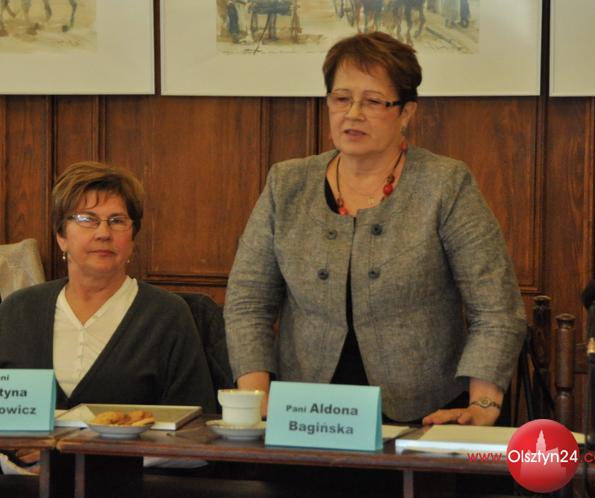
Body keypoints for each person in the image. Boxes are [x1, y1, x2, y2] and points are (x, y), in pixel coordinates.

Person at [224, 32, 526, 426]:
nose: (352, 114)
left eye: (372, 101)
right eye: (341, 98)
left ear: (406, 112)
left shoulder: (445, 184)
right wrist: (257, 398)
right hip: (305, 416)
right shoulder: (287, 184)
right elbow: (248, 301)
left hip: (422, 416)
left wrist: (482, 407)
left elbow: (496, 308)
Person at [0, 161, 216, 472]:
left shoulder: (167, 316)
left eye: (117, 221)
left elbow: (197, 434)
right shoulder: (19, 311)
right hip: (16, 486)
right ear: (61, 235)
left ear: (132, 239)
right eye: (87, 219)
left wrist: (84, 456)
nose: (103, 233)